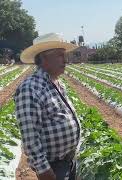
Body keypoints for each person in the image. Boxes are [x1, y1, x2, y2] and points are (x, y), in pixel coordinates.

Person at [15, 33, 80, 180]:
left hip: (68, 160)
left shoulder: (56, 83)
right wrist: (43, 170)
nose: (65, 60)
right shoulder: (30, 88)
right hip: (53, 167)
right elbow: (30, 136)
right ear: (43, 59)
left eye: (64, 55)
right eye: (59, 55)